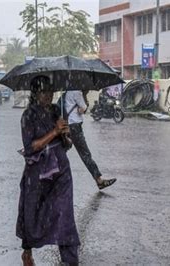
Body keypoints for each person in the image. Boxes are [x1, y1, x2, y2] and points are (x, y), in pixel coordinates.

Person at [17, 75, 80, 265]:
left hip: (61, 171)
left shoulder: (56, 111)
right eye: (44, 91)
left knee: (65, 214)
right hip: (37, 174)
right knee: (33, 214)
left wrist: (65, 135)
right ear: (36, 93)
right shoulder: (28, 116)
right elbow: (30, 147)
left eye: (50, 91)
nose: (49, 95)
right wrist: (53, 132)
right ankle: (27, 251)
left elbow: (67, 145)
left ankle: (70, 260)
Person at [65, 90, 117, 190]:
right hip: (75, 126)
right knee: (85, 154)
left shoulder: (68, 92)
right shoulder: (77, 92)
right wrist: (84, 97)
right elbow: (84, 108)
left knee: (61, 150)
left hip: (68, 125)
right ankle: (99, 181)